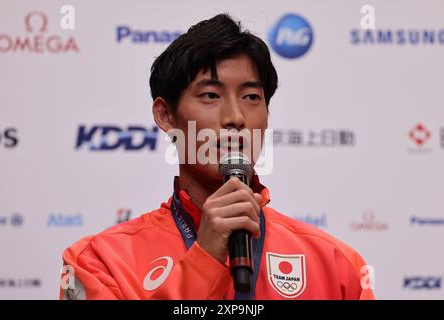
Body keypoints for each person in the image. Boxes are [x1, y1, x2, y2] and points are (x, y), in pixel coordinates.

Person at [59, 14, 375, 300]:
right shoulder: (98, 262)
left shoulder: (337, 266)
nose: (236, 117)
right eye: (211, 95)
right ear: (166, 114)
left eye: (251, 97)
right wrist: (204, 259)